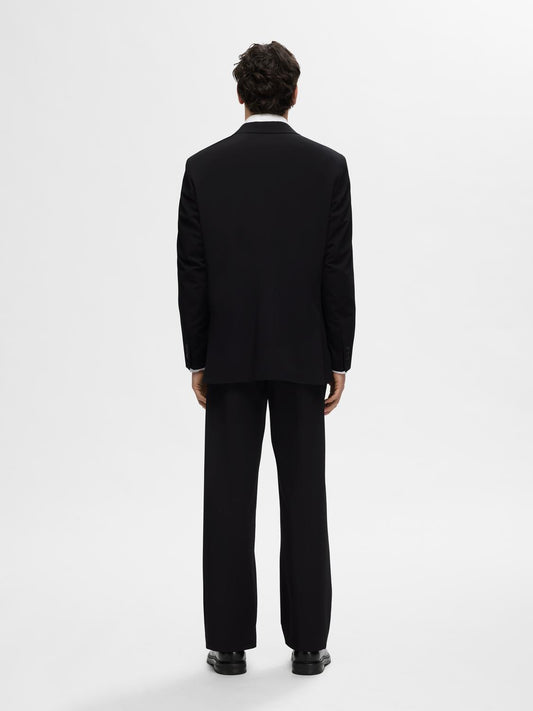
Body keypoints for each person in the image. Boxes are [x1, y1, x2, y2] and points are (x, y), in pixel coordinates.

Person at [176, 40, 355, 676]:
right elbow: (336, 269)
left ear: (240, 95)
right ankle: (307, 646)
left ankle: (227, 647)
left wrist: (197, 356)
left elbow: (192, 272)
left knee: (227, 498)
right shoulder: (327, 167)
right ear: (295, 93)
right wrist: (339, 357)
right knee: (305, 497)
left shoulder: (204, 168)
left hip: (228, 356)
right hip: (304, 354)